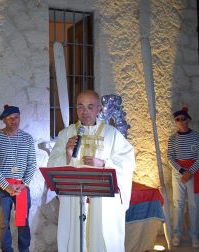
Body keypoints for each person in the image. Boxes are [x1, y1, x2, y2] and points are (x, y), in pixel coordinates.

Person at [47, 90, 135, 252]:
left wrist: (103, 164)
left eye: (90, 107)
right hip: (74, 199)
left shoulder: (112, 134)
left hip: (103, 201)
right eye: (80, 106)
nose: (85, 111)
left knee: (102, 238)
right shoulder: (66, 134)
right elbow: (52, 165)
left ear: (99, 109)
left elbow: (127, 163)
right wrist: (67, 155)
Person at [0, 105, 37, 252]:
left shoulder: (27, 139)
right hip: (3, 188)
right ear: (4, 120)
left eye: (16, 117)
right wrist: (6, 186)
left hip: (21, 187)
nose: (14, 121)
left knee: (22, 222)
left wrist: (24, 184)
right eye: (10, 118)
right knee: (4, 224)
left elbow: (32, 163)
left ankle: (24, 250)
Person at [167, 107, 199, 248]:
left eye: (183, 119)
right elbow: (170, 157)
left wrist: (190, 172)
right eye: (178, 119)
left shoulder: (197, 136)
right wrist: (183, 171)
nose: (181, 121)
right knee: (178, 205)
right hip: (179, 175)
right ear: (175, 122)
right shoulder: (172, 139)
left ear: (188, 120)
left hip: (194, 174)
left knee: (194, 205)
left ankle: (194, 235)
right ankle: (177, 234)